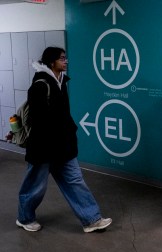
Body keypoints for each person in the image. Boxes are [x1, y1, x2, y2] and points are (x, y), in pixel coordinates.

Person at [16, 47, 112, 232]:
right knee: (35, 186)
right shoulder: (40, 85)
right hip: (43, 148)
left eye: (65, 57)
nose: (66, 61)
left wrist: (68, 133)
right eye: (62, 58)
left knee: (75, 181)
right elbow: (37, 120)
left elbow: (63, 116)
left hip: (63, 147)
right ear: (52, 62)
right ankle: (25, 218)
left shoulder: (61, 82)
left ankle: (91, 219)